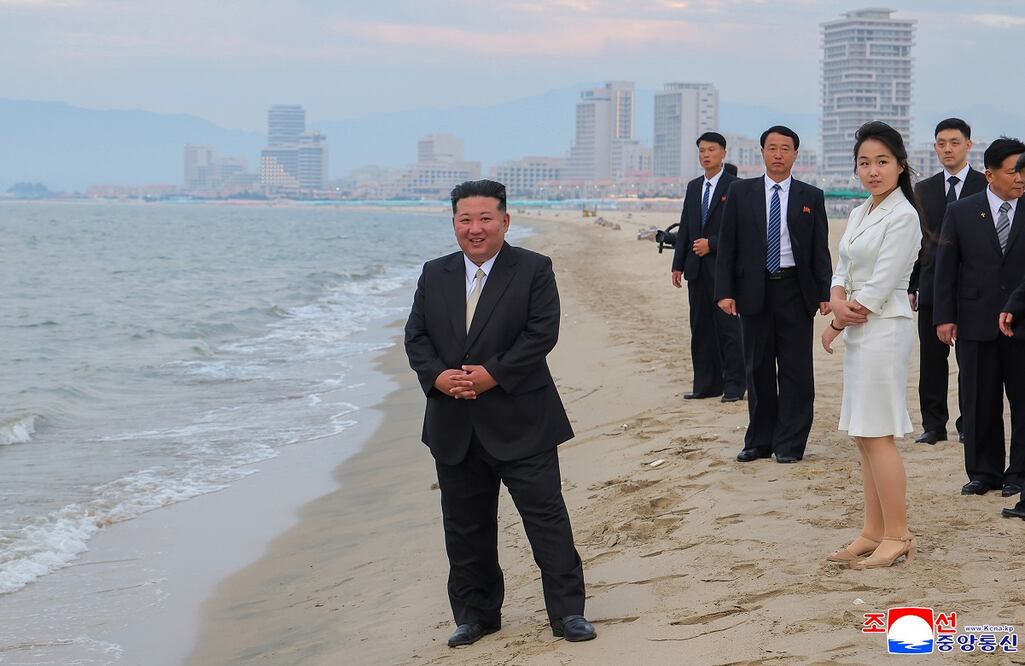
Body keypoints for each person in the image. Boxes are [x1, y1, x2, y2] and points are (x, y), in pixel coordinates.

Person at [404, 180, 596, 648]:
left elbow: (540, 334)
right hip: (454, 422)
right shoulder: (435, 273)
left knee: (547, 519)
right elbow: (416, 338)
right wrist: (439, 377)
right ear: (453, 223)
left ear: (505, 221)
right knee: (465, 527)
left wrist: (491, 375)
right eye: (465, 219)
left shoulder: (533, 268)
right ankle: (476, 615)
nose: (475, 229)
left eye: (485, 218)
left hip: (522, 418)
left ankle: (568, 613)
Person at [821, 121, 922, 569]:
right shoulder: (862, 211)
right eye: (865, 163)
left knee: (879, 432)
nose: (873, 170)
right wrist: (838, 297)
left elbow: (880, 287)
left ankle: (897, 534)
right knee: (863, 432)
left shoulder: (904, 216)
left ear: (901, 166)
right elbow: (842, 265)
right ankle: (872, 530)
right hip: (861, 329)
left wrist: (837, 323)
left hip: (885, 328)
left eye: (882, 162)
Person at [715, 125, 832, 464]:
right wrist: (725, 291)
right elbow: (728, 245)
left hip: (795, 290)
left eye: (785, 149)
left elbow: (818, 249)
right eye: (772, 148)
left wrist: (824, 292)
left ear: (796, 154)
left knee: (796, 370)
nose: (778, 154)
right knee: (758, 368)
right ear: (762, 152)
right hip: (753, 291)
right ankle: (759, 440)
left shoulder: (811, 196)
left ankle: (790, 443)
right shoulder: (740, 192)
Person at [934, 138, 1025, 498]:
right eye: (1014, 170)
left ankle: (1019, 472)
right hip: (974, 321)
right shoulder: (962, 211)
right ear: (990, 174)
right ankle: (984, 472)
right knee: (977, 399)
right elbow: (946, 267)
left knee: (1022, 401)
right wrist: (944, 317)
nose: (1020, 178)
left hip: (1022, 322)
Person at [909, 119, 987, 445]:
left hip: (972, 287)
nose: (947, 149)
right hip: (930, 284)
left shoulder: (986, 185)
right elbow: (920, 242)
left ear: (968, 145)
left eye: (954, 142)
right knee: (931, 360)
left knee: (971, 362)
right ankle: (933, 424)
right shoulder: (923, 189)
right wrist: (913, 283)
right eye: (941, 143)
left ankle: (968, 423)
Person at [671, 132, 745, 402]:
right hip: (696, 270)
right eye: (701, 150)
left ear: (723, 153)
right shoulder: (693, 187)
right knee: (700, 328)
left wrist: (711, 244)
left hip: (723, 269)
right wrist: (677, 264)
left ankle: (735, 386)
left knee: (728, 329)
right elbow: (686, 226)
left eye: (711, 150)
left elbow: (739, 230)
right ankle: (706, 385)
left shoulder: (735, 186)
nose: (705, 155)